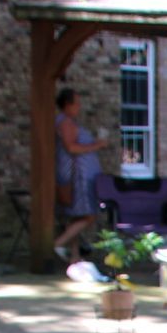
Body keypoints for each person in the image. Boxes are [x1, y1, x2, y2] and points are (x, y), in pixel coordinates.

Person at [53, 88, 107, 262]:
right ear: (67, 105)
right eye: (76, 103)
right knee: (89, 215)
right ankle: (58, 243)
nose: (79, 107)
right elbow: (71, 148)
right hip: (78, 176)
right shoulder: (65, 123)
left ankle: (75, 257)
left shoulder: (68, 121)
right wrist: (96, 146)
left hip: (80, 174)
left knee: (76, 216)